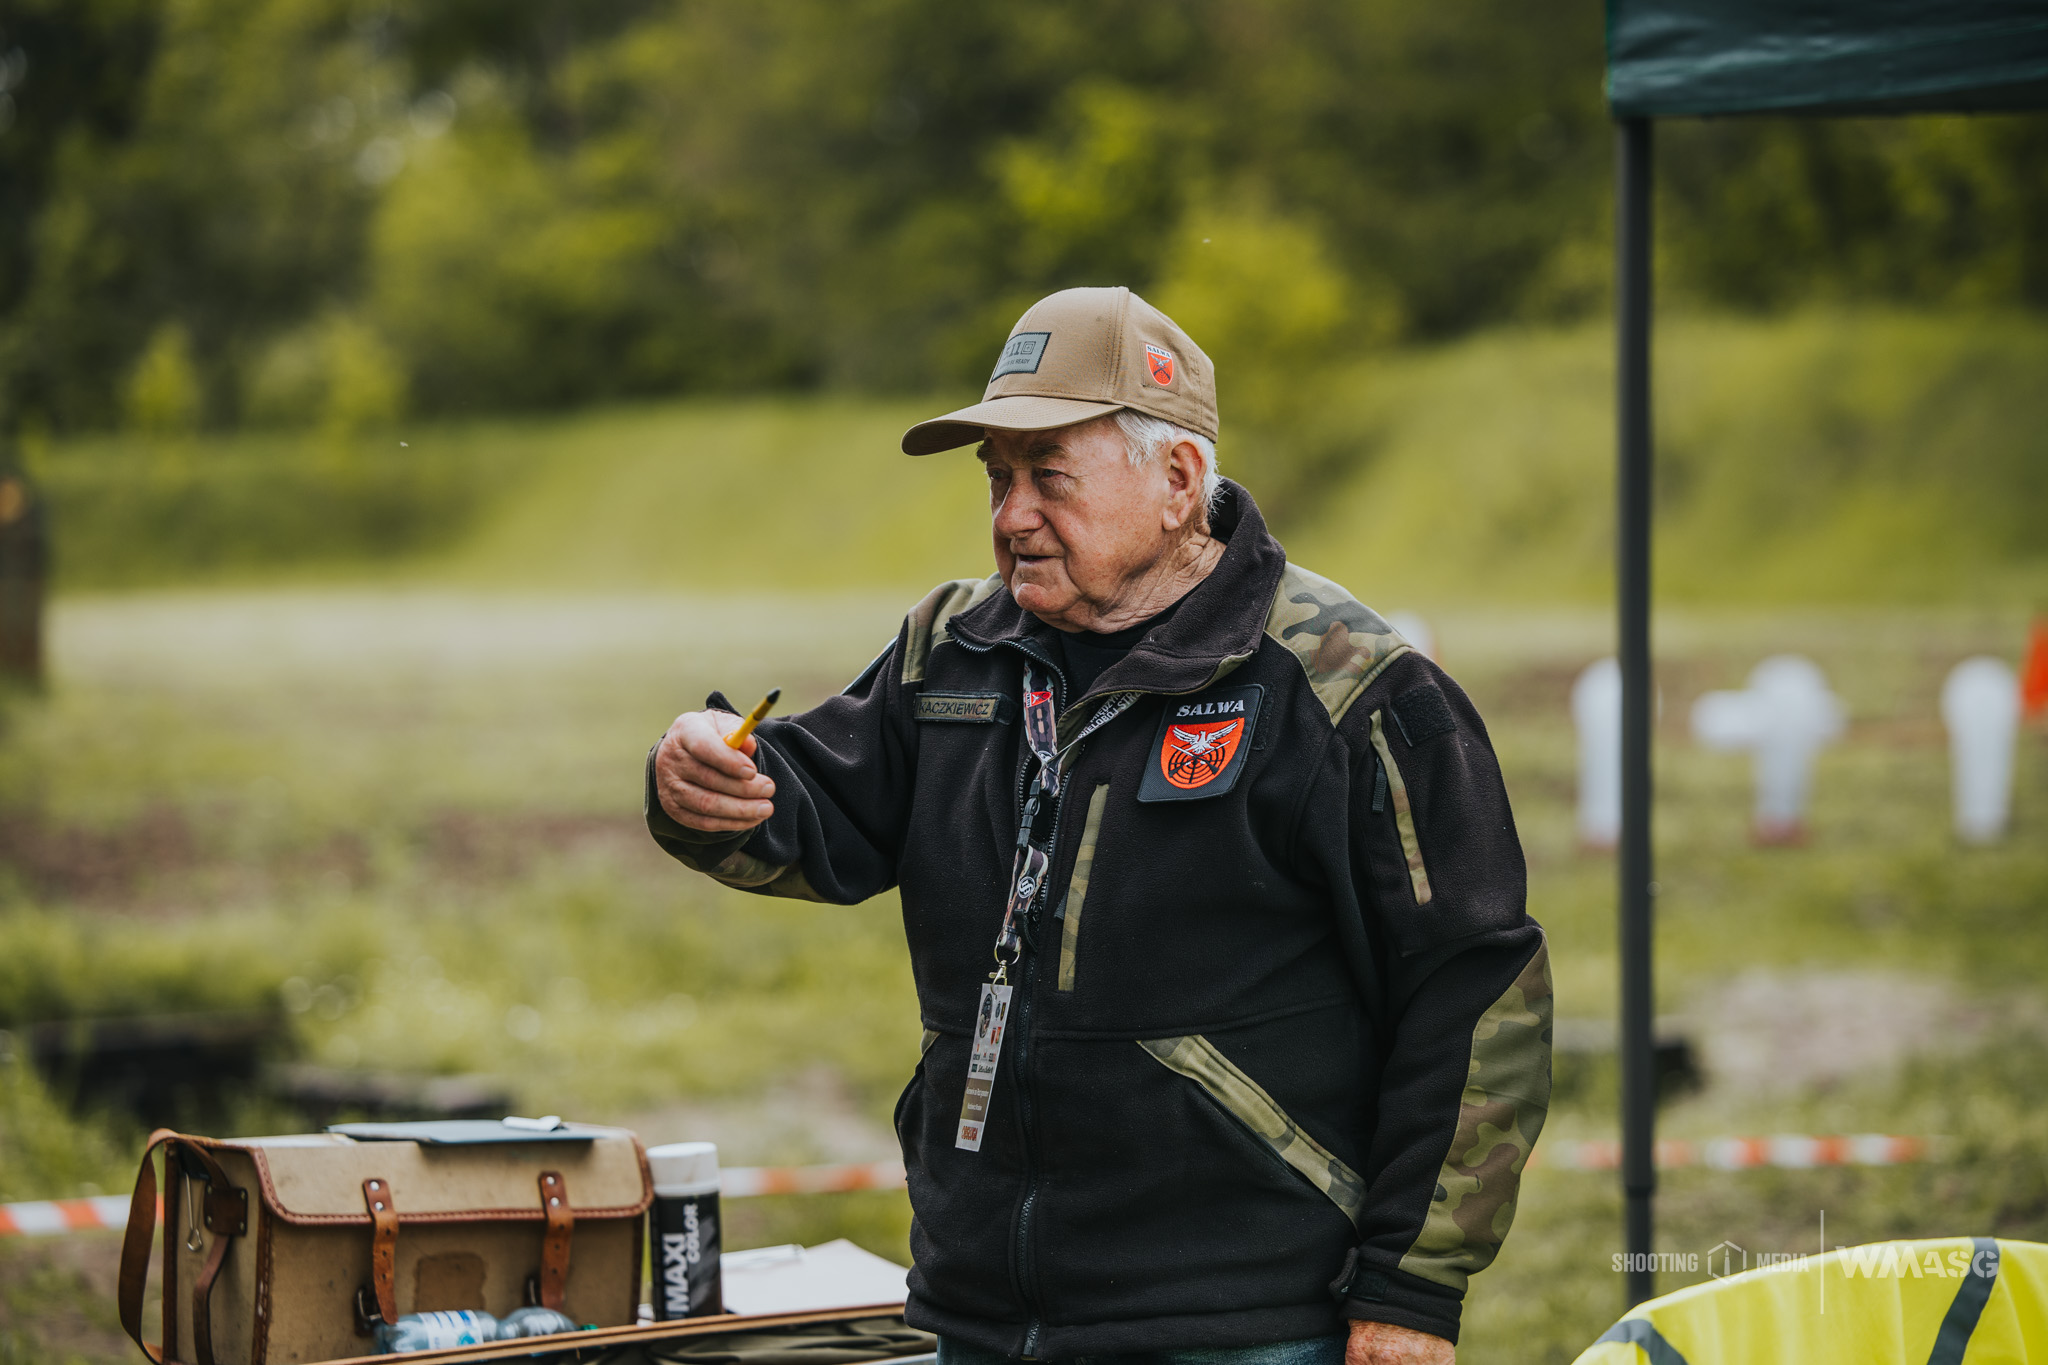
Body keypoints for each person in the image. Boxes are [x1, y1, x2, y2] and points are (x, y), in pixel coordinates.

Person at [647, 287, 1550, 1365]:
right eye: (997, 478)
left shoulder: (1348, 687)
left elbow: (1475, 992)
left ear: (1177, 482)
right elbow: (811, 812)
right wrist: (705, 782)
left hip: (1243, 1325)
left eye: (1048, 475)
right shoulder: (953, 649)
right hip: (979, 1311)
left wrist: (1408, 1294)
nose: (1010, 516)